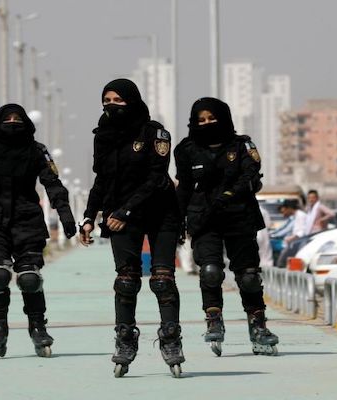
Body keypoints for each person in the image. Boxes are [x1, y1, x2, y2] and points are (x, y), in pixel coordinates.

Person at [78, 78, 184, 378]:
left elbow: (156, 178)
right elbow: (101, 180)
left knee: (162, 279)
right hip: (121, 217)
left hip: (160, 212)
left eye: (118, 100)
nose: (112, 105)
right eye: (106, 100)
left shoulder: (154, 133)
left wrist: (125, 210)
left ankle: (171, 338)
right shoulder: (103, 136)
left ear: (133, 100)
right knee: (126, 280)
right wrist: (88, 217)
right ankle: (125, 340)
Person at [0, 103, 76, 358]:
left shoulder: (36, 151)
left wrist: (66, 216)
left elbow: (52, 184)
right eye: (7, 119)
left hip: (26, 220)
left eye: (17, 118)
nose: (12, 123)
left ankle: (38, 328)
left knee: (29, 278)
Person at [174, 97, 279, 357]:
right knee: (210, 271)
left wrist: (230, 195)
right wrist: (177, 221)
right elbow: (184, 188)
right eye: (201, 120)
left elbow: (250, 175)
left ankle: (258, 326)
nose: (207, 123)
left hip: (239, 216)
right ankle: (213, 317)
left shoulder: (242, 145)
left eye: (212, 118)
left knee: (248, 276)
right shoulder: (186, 149)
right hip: (203, 219)